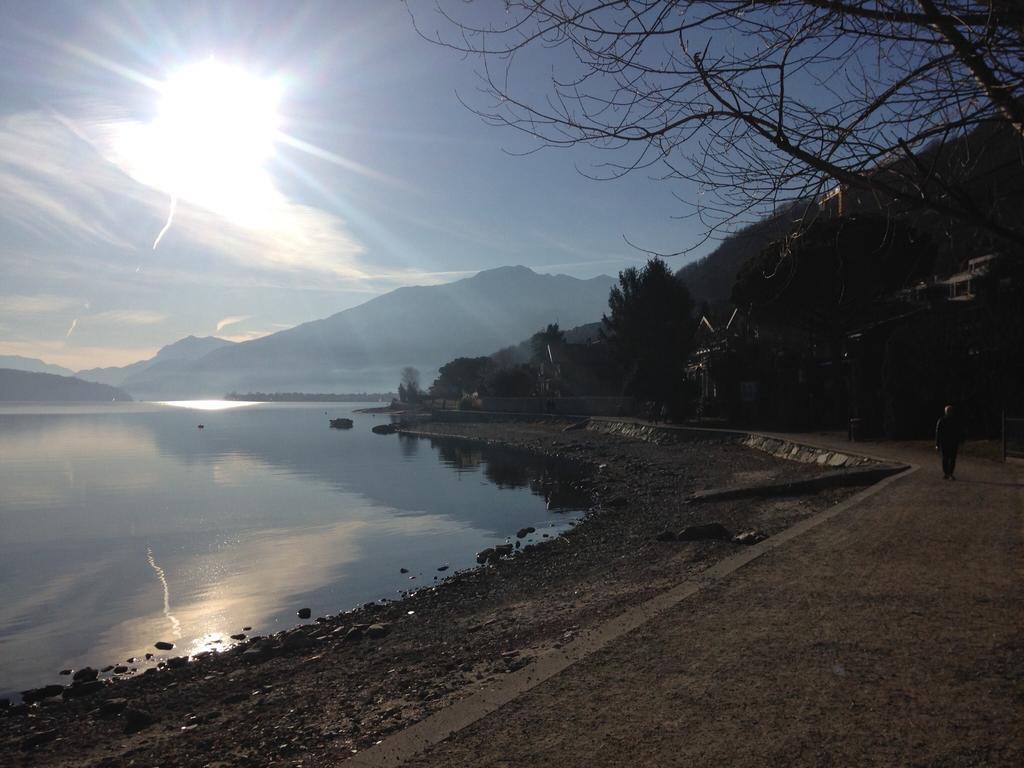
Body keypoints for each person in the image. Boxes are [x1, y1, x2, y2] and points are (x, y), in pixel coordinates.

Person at [935, 405, 964, 480]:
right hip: (946, 443)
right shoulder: (942, 420)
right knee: (946, 458)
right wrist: (937, 444)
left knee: (951, 458)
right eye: (948, 411)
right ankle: (947, 473)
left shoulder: (955, 421)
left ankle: (949, 473)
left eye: (950, 411)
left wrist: (960, 440)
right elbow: (938, 433)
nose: (949, 412)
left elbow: (959, 431)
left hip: (952, 442)